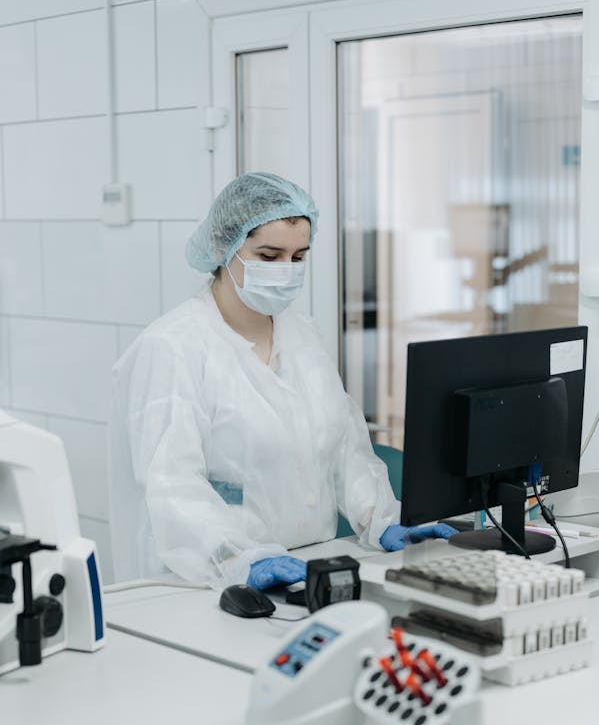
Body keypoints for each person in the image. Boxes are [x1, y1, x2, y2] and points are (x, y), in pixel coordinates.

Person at [109, 172, 455, 590]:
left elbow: (344, 447)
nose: (285, 271)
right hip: (211, 579)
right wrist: (241, 558)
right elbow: (171, 485)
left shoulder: (303, 334)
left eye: (298, 257)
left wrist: (379, 518)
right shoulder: (172, 348)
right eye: (269, 256)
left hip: (310, 563)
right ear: (223, 246)